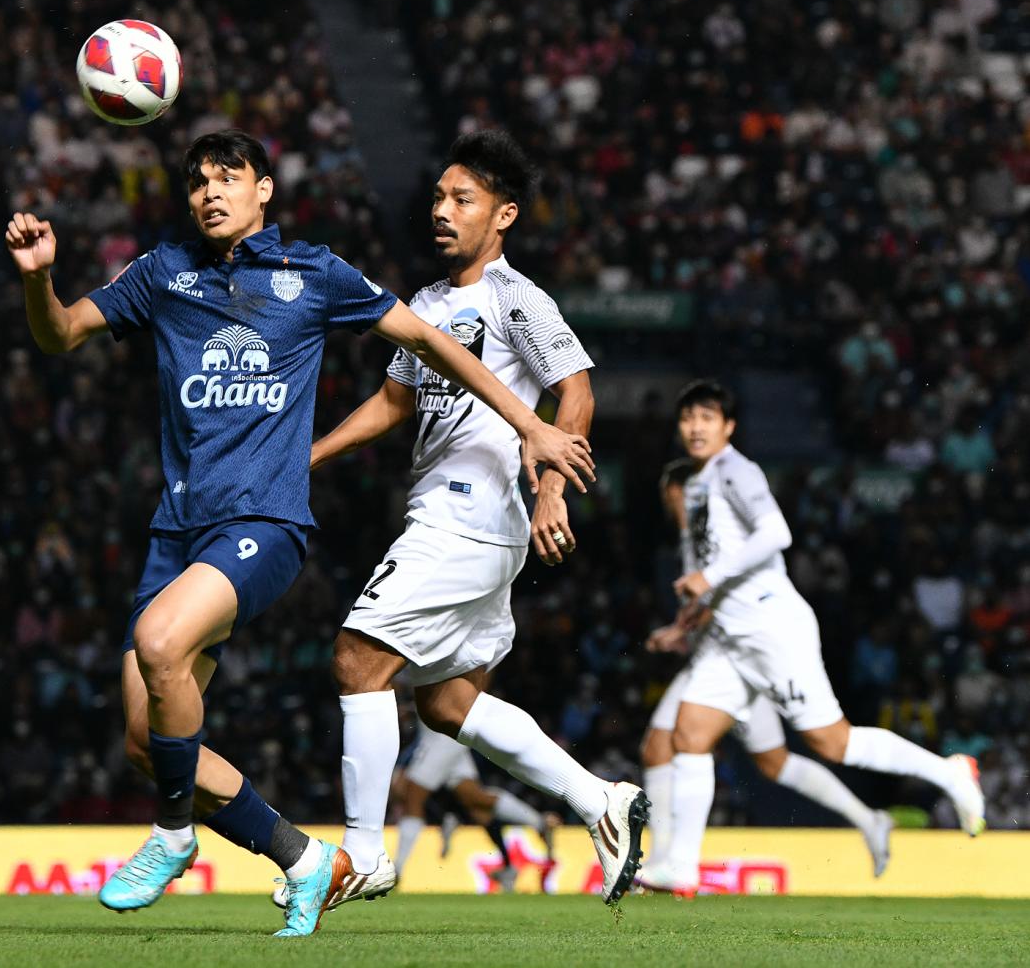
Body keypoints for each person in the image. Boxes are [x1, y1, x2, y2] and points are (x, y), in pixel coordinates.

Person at [4, 128, 594, 936]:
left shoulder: (313, 272)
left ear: (264, 191)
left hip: (263, 523)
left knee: (160, 640)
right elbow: (61, 332)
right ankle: (303, 858)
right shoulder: (162, 272)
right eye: (197, 182)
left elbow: (426, 341)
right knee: (149, 740)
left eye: (228, 177)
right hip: (176, 529)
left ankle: (174, 837)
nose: (210, 193)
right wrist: (39, 283)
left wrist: (531, 424)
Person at [311, 130, 647, 909]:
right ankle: (601, 800)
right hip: (454, 520)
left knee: (358, 658)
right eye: (438, 196)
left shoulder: (515, 297)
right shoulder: (428, 304)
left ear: (504, 215)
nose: (443, 210)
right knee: (446, 703)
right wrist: (312, 457)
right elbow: (394, 403)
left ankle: (365, 853)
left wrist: (554, 491)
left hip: (469, 519)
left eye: (462, 199)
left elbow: (577, 392)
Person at [644, 380, 985, 896]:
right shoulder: (696, 485)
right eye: (689, 417)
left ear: (728, 427)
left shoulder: (736, 470)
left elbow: (776, 533)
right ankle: (681, 866)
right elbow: (713, 573)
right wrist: (684, 625)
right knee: (688, 733)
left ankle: (951, 771)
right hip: (732, 641)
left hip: (771, 627)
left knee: (834, 742)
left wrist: (708, 581)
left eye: (707, 417)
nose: (695, 426)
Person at [638, 459, 892, 888]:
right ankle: (868, 818)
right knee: (773, 763)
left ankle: (667, 861)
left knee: (660, 746)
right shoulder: (692, 540)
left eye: (675, 497)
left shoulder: (713, 535)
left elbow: (730, 595)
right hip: (722, 659)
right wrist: (678, 633)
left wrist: (684, 628)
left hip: (734, 660)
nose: (672, 507)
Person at [393, 726, 557, 893]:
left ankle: (396, 871)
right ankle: (536, 826)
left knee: (411, 797)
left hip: (442, 738)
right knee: (476, 801)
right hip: (442, 737)